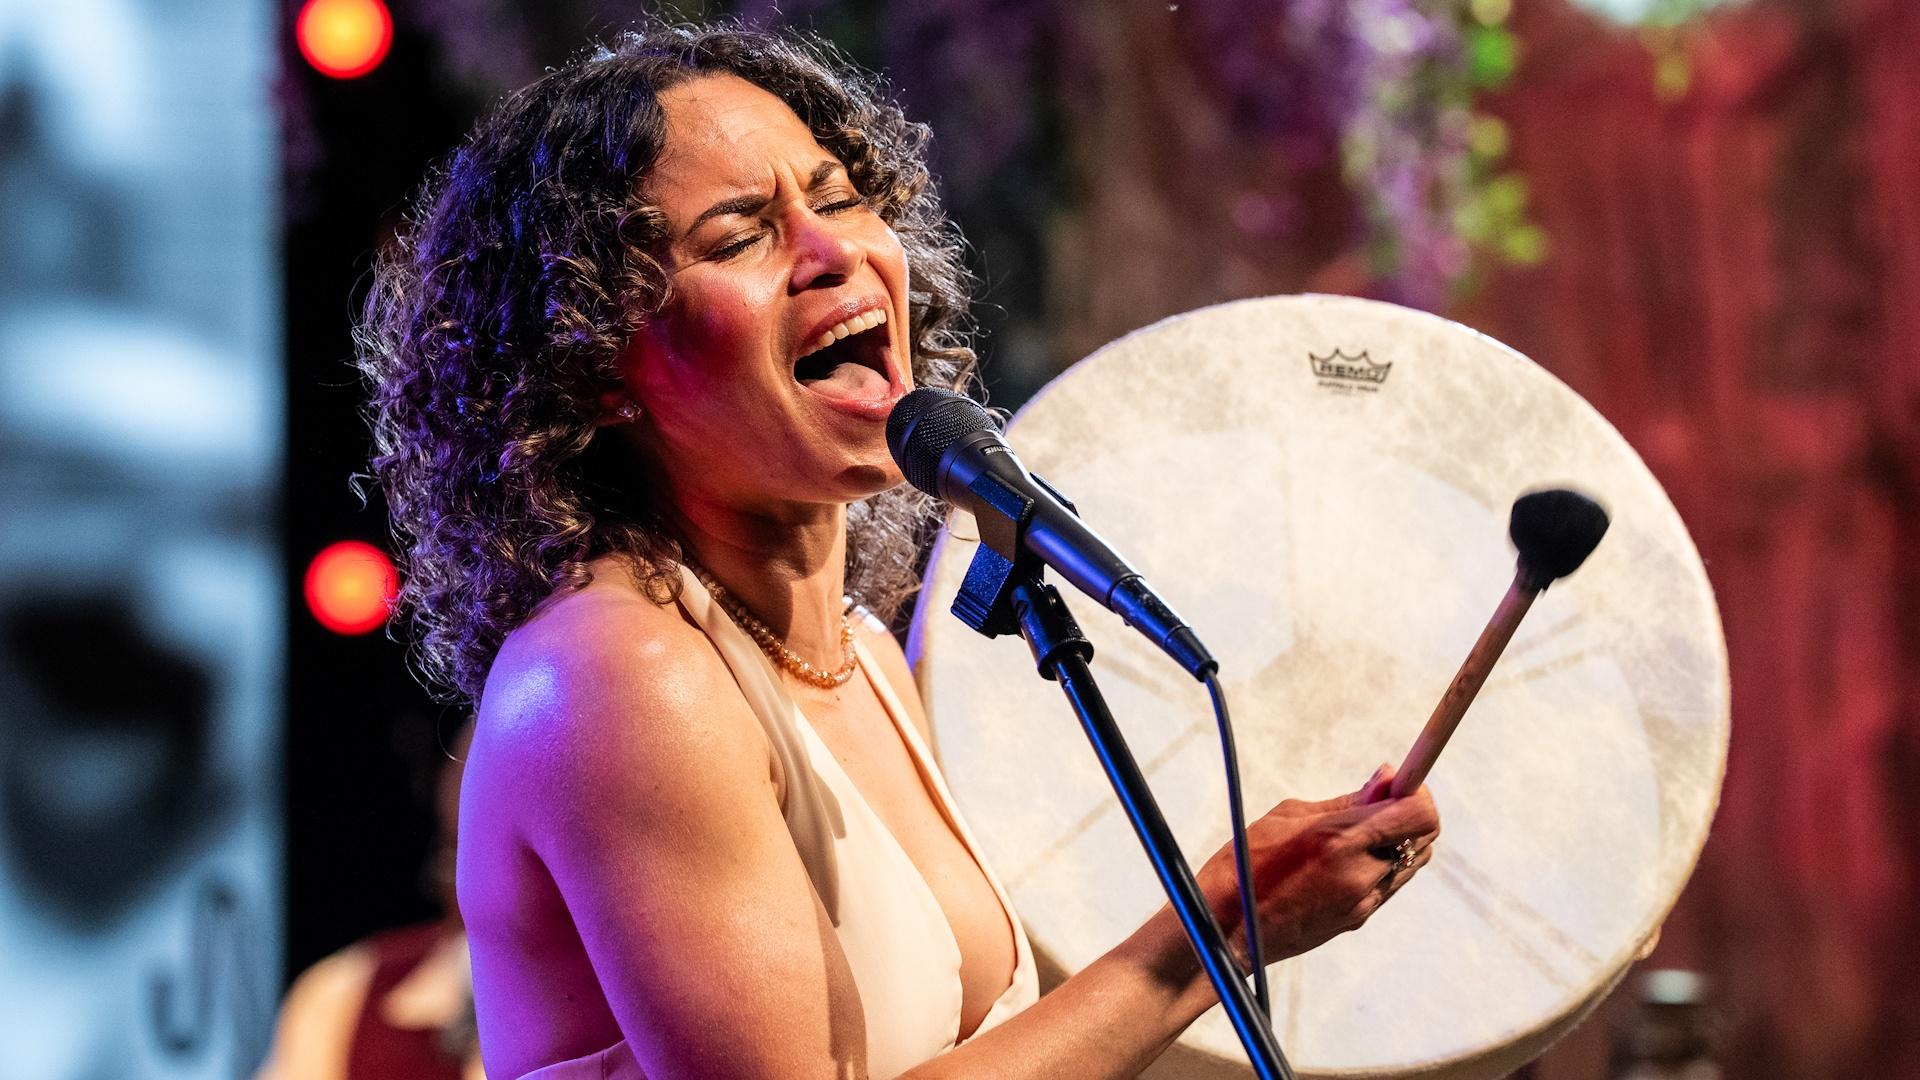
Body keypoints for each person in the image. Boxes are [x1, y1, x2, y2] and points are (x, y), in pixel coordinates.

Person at [357, 22, 1440, 1080]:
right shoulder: (621, 675)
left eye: (836, 198)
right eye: (740, 238)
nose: (836, 254)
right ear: (592, 365)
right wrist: (1216, 938)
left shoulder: (863, 655)